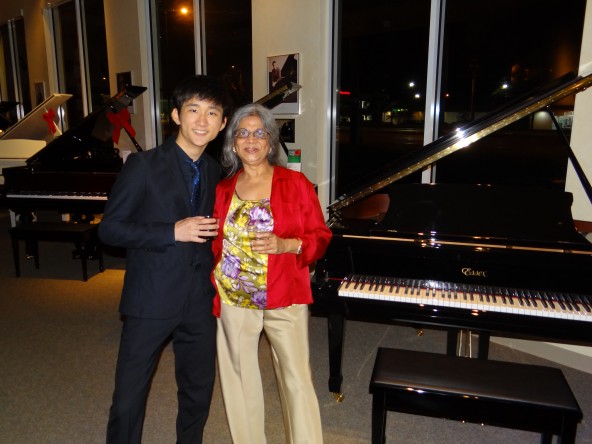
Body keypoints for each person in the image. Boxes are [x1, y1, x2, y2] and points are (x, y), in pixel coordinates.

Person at [99, 75, 232, 444]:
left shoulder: (214, 171)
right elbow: (110, 230)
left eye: (212, 113)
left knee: (197, 392)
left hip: (199, 301)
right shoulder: (142, 165)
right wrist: (171, 231)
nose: (202, 121)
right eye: (193, 110)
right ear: (175, 115)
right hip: (151, 298)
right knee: (128, 399)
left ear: (222, 124)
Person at [210, 103, 332, 444]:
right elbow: (217, 243)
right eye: (243, 133)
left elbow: (321, 237)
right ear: (233, 143)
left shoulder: (296, 183)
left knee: (296, 378)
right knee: (239, 379)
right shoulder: (223, 190)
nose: (251, 140)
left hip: (285, 296)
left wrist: (288, 245)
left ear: (271, 141)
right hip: (234, 298)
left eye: (259, 133)